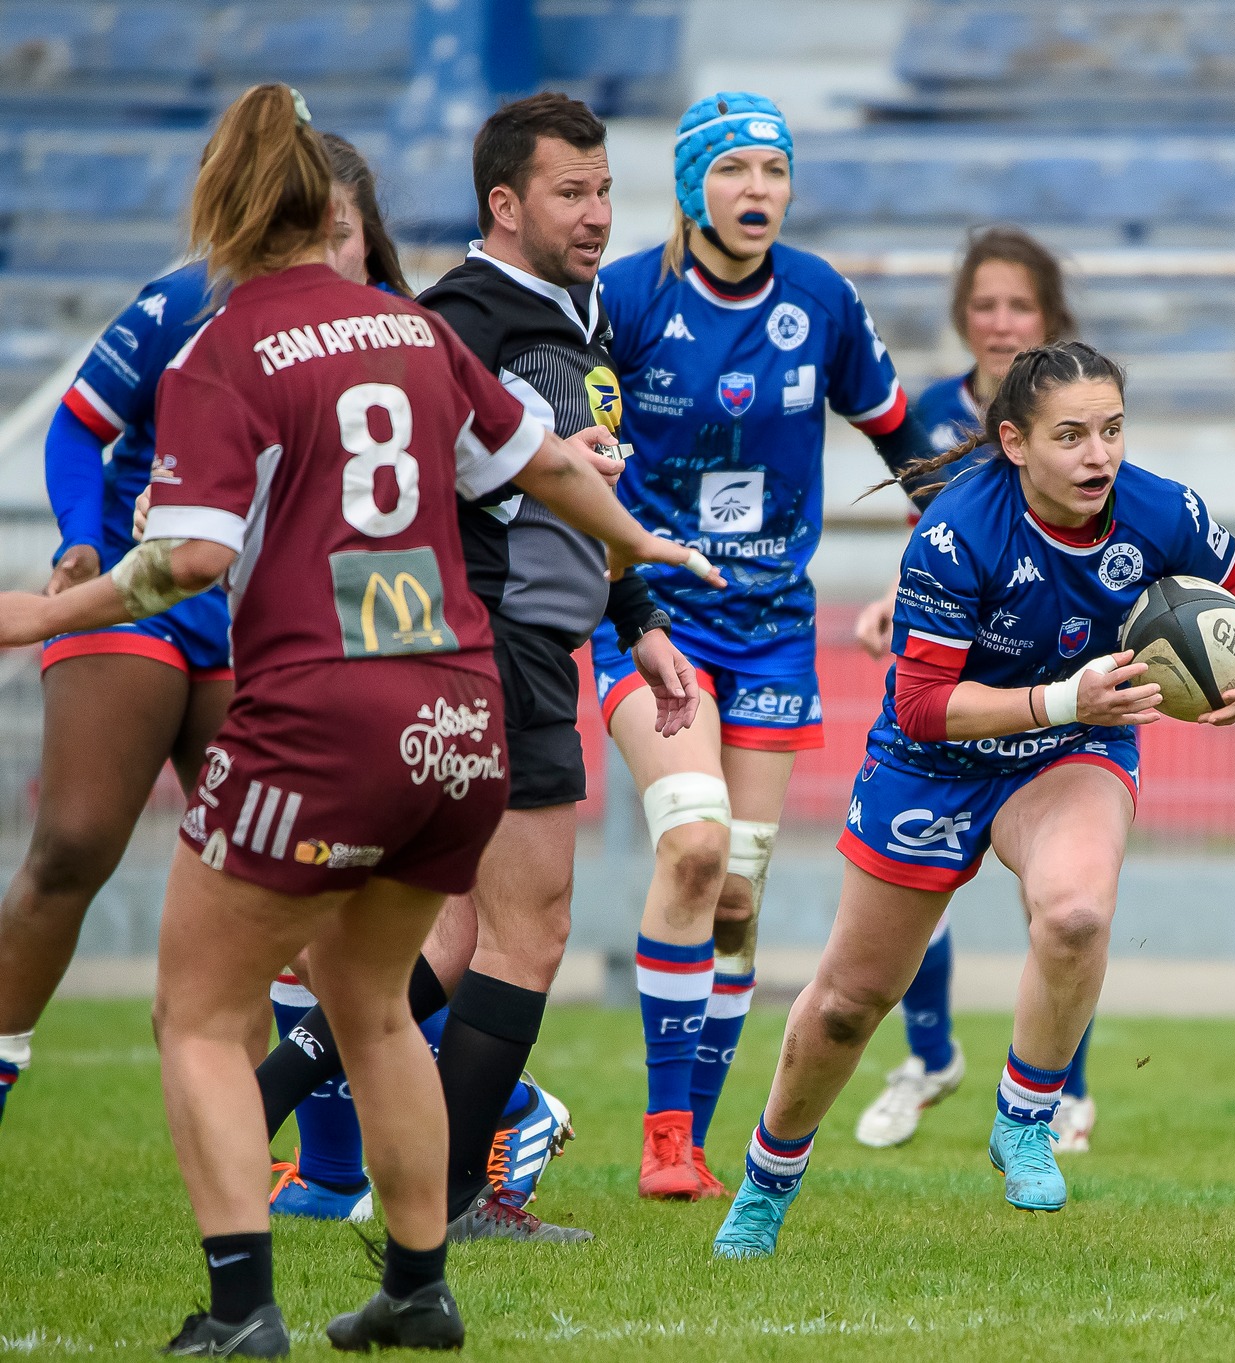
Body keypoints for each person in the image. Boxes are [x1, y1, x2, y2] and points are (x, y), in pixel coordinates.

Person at [0, 82, 698, 1353]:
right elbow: (546, 459)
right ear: (339, 219)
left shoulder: (222, 349)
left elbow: (191, 557)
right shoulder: (415, 331)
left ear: (223, 209)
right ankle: (417, 1288)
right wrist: (641, 548)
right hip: (460, 712)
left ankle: (240, 1311)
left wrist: (46, 613)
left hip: (321, 712)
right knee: (372, 1002)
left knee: (196, 1012)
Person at [243, 91, 718, 1243]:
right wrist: (540, 471)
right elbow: (431, 484)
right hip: (492, 641)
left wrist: (637, 618)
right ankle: (449, 1204)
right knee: (529, 932)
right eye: (571, 192)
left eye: (605, 191)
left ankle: (251, 1103)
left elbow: (574, 499)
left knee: (452, 942)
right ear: (504, 204)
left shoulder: (574, 314)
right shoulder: (460, 314)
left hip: (533, 639)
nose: (597, 214)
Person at [709, 339, 1235, 1258]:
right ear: (1016, 442)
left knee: (1074, 915)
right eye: (1072, 436)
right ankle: (767, 1179)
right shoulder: (956, 532)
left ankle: (1025, 1117)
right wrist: (1066, 697)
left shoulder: (1158, 507)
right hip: (934, 759)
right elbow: (922, 705)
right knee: (848, 1004)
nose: (1099, 455)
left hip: (1071, 748)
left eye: (1112, 430)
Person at [0, 128, 402, 1132]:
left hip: (269, 627)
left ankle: (332, 1160)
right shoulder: (190, 299)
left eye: (342, 231)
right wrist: (80, 538)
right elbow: (79, 423)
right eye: (306, 226)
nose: (323, 249)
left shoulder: (397, 333)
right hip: (138, 593)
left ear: (368, 236)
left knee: (287, 888)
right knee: (74, 843)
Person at [591, 91, 941, 1200]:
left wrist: (958, 557)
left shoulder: (821, 299)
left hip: (774, 633)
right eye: (734, 170)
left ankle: (689, 1143)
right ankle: (663, 1136)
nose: (758, 190)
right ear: (691, 186)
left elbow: (907, 448)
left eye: (774, 171)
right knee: (694, 846)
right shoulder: (623, 300)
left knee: (737, 894)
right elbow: (566, 454)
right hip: (653, 621)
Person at [850, 225, 1106, 1155]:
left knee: (1062, 899)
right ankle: (929, 1057)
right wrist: (896, 599)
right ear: (964, 316)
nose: (1001, 323)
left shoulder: (1078, 419)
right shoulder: (927, 414)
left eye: (1020, 306)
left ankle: (1063, 1089)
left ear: (1049, 317)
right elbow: (933, 536)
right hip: (956, 676)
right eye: (985, 306)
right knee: (913, 871)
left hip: (1056, 680)